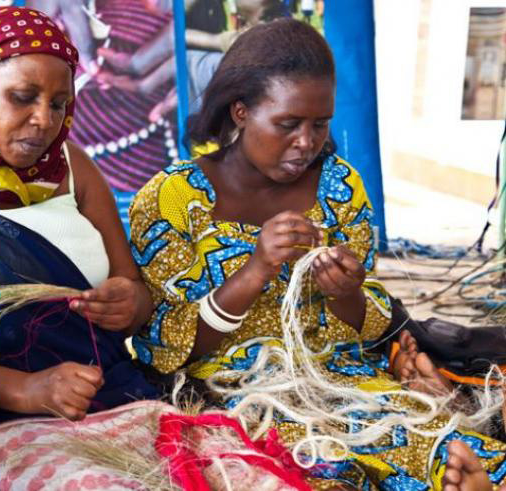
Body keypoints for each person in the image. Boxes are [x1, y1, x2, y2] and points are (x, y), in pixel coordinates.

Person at [129, 19, 506, 490]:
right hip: (238, 396)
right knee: (323, 469)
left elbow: (366, 322)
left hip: (343, 380)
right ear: (241, 112)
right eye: (287, 124)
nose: (306, 142)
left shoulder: (338, 188)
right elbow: (162, 347)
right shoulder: (172, 200)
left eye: (320, 124)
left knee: (427, 439)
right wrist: (255, 269)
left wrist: (345, 293)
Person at [0, 6, 158, 431]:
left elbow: (136, 294)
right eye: (23, 97)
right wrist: (27, 389)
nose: (44, 120)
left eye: (59, 103)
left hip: (114, 398)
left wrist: (128, 303)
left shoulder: (73, 167)